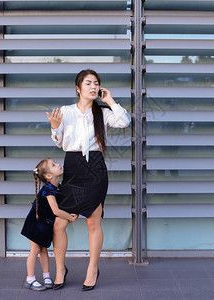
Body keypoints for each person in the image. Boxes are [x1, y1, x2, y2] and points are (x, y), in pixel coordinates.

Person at [46, 69, 130, 291]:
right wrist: (55, 128)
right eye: (88, 83)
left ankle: (92, 269)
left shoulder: (102, 113)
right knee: (59, 223)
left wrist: (109, 99)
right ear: (78, 88)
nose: (93, 87)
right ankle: (61, 269)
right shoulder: (66, 111)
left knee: (93, 221)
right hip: (73, 167)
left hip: (95, 169)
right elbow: (58, 142)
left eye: (96, 83)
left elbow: (123, 121)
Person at [21, 158, 78, 291]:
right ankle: (30, 279)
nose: (58, 164)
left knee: (44, 250)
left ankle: (46, 276)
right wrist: (70, 217)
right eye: (53, 165)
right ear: (48, 176)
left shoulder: (58, 187)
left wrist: (73, 212)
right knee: (35, 250)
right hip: (35, 224)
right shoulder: (48, 189)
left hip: (45, 225)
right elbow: (56, 210)